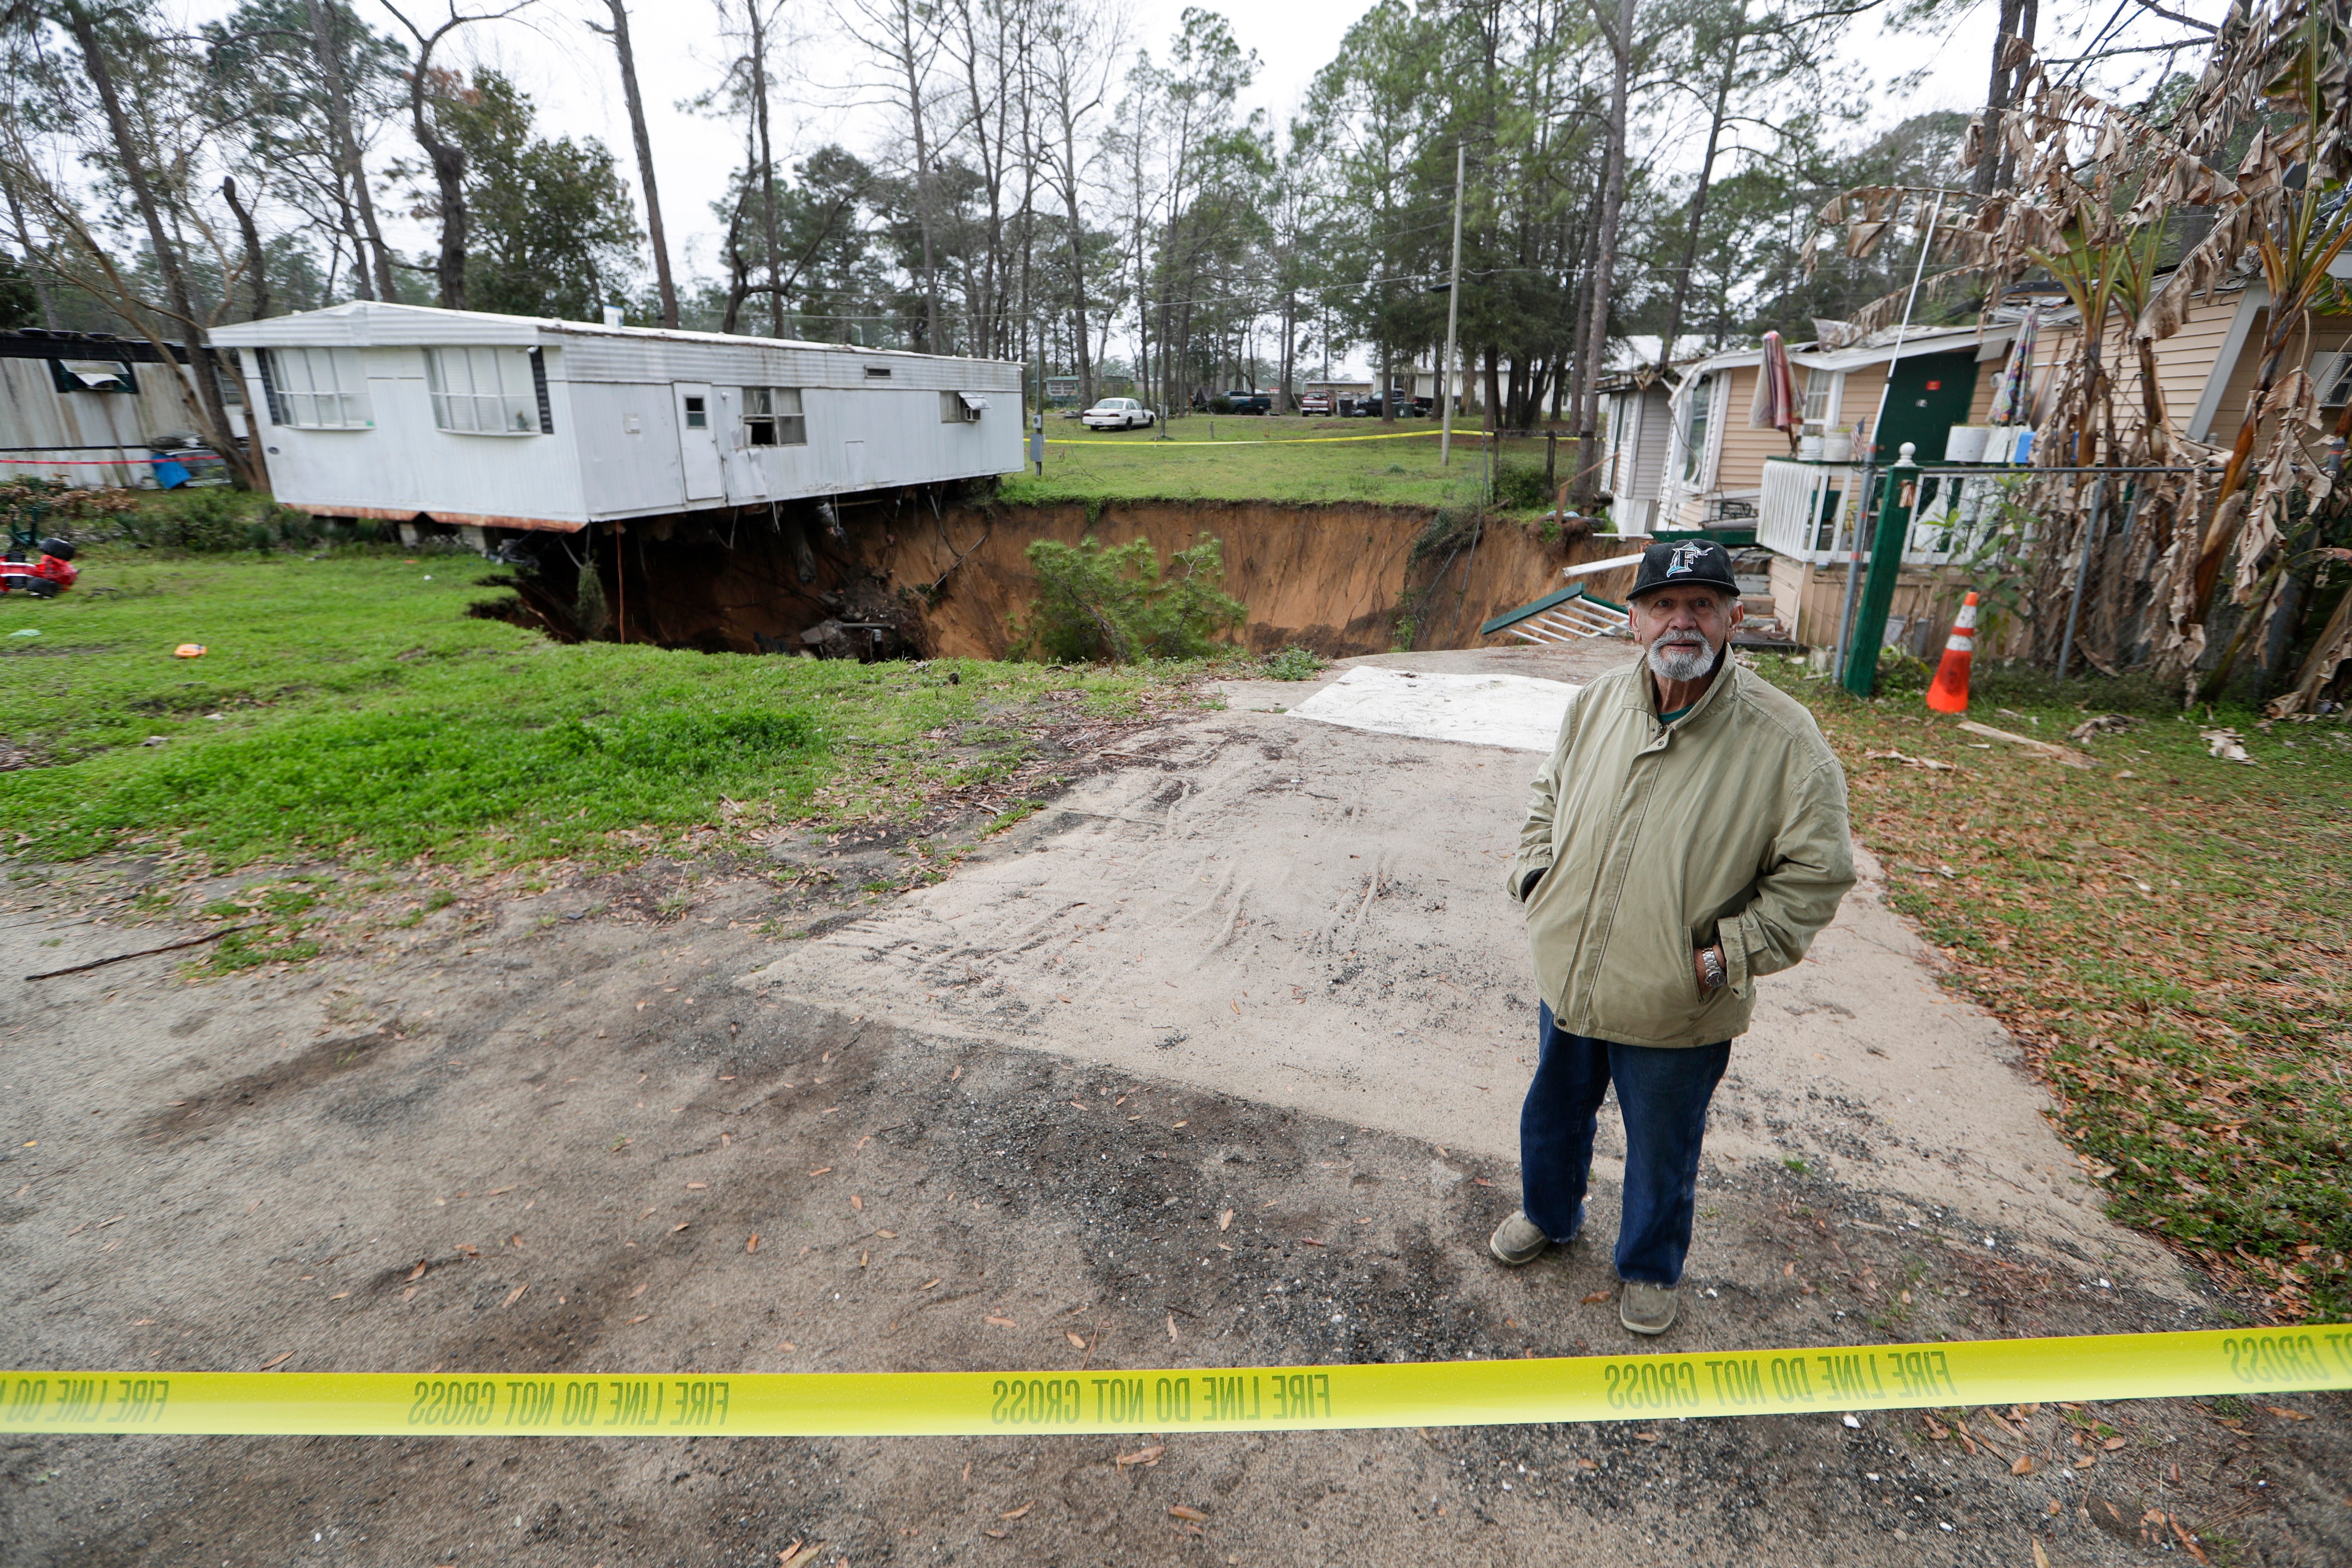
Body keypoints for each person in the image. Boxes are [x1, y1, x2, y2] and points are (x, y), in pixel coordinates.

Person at [1490, 539, 1855, 1335]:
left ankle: (1650, 1267)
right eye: (1663, 604)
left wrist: (1729, 956)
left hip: (1678, 998)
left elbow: (1819, 872)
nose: (1680, 622)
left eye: (1701, 605)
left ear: (1735, 618)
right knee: (1553, 1116)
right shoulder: (1595, 705)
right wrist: (1534, 877)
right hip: (1574, 973)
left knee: (1663, 1147)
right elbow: (1547, 795)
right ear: (1633, 622)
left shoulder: (1784, 739)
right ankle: (1550, 1217)